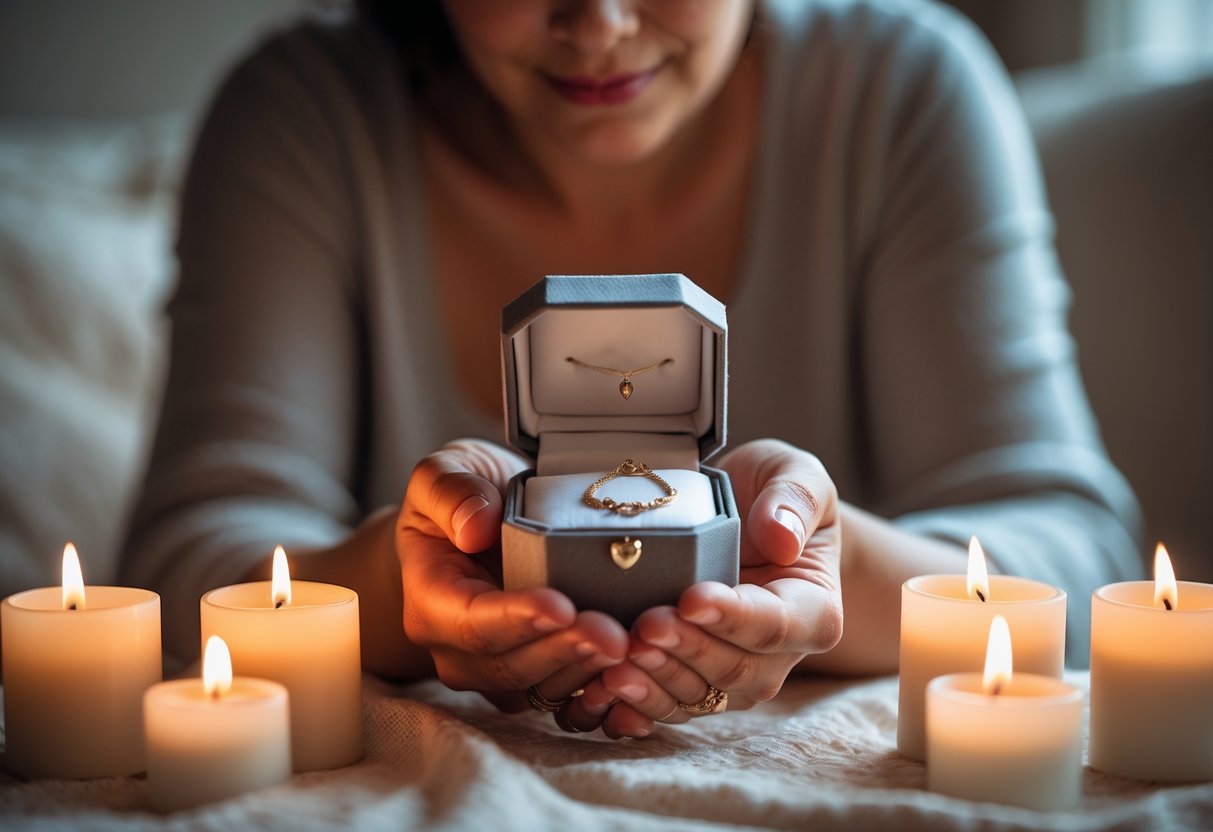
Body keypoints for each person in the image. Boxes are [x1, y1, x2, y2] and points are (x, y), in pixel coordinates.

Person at [121, 0, 1142, 739]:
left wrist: (809, 571)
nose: (599, 25)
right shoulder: (304, 116)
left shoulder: (904, 87)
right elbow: (182, 564)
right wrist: (414, 580)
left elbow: (1082, 558)